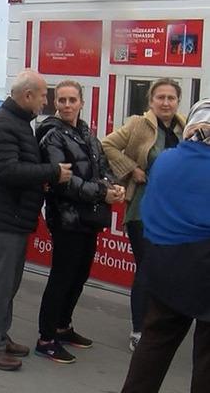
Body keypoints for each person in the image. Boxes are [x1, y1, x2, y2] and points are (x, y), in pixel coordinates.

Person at [0, 69, 72, 371]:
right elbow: (8, 171)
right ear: (27, 95)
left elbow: (15, 167)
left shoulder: (15, 122)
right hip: (3, 217)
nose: (47, 101)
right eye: (44, 95)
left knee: (8, 283)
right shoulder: (5, 124)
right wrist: (52, 173)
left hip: (12, 216)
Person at [120, 99, 210, 393]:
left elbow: (150, 210)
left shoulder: (167, 160)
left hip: (164, 266)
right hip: (204, 267)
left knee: (154, 344)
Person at [35, 80, 124, 363]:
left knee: (80, 275)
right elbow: (63, 181)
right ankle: (46, 338)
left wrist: (114, 185)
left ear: (82, 103)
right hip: (66, 218)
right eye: (62, 100)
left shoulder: (87, 133)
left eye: (72, 100)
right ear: (55, 103)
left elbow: (102, 167)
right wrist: (102, 192)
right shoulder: (52, 135)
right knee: (62, 278)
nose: (67, 105)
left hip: (88, 217)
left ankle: (63, 325)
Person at [101, 78, 186, 352]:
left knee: (169, 270)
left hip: (175, 214)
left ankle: (161, 326)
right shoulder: (138, 124)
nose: (165, 103)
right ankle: (139, 329)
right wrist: (132, 168)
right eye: (160, 97)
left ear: (177, 101)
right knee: (147, 268)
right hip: (143, 209)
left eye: (171, 98)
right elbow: (107, 145)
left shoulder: (185, 127)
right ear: (151, 101)